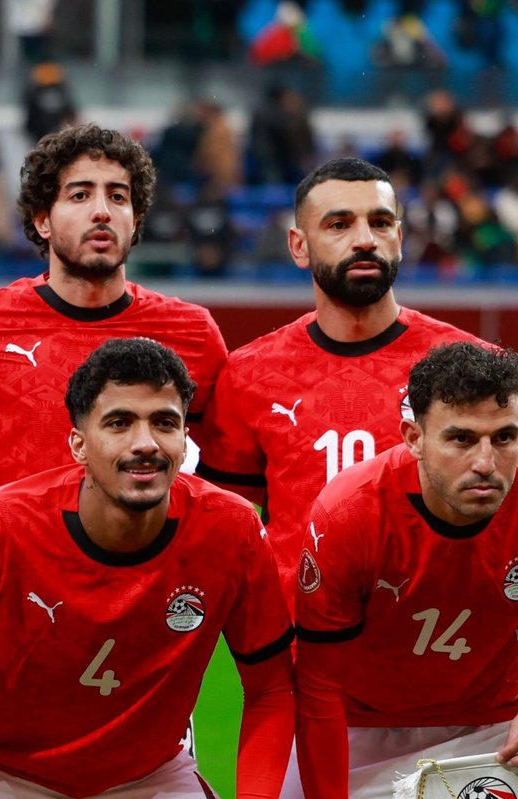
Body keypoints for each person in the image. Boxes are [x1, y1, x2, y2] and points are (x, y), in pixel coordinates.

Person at [0, 338, 294, 799]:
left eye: (165, 422)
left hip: (144, 780)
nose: (145, 444)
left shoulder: (231, 529)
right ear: (79, 443)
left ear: (186, 438)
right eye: (120, 423)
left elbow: (273, 692)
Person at [281, 342, 518, 799]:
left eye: (504, 437)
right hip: (350, 726)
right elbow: (320, 685)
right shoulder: (351, 513)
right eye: (460, 438)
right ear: (414, 438)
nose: (486, 462)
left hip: (490, 724)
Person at [197, 158, 479, 589]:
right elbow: (221, 521)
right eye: (338, 225)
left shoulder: (469, 366)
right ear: (298, 246)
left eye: (381, 223)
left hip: (428, 637)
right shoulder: (249, 373)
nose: (365, 240)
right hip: (301, 644)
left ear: (399, 239)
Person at [0, 123, 227, 495]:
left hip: (146, 554)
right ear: (43, 220)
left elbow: (229, 470)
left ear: (135, 220)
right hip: (15, 552)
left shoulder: (192, 333)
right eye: (80, 196)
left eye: (118, 197)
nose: (102, 211)